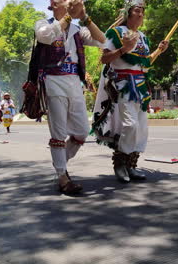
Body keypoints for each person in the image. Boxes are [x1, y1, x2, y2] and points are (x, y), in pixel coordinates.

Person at [92, 0, 169, 182]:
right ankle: (120, 163)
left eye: (142, 11)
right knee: (130, 125)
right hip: (123, 84)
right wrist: (123, 49)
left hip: (141, 86)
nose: (141, 14)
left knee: (141, 128)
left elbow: (146, 63)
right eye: (137, 10)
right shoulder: (115, 33)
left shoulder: (143, 37)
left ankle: (131, 165)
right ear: (128, 13)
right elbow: (105, 59)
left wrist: (159, 51)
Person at [35, 0, 105, 194]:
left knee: (82, 131)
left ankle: (59, 162)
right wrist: (68, 17)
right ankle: (62, 176)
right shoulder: (43, 23)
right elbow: (45, 37)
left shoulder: (77, 30)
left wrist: (84, 17)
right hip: (53, 80)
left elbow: (102, 40)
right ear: (54, 3)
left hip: (74, 81)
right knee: (58, 132)